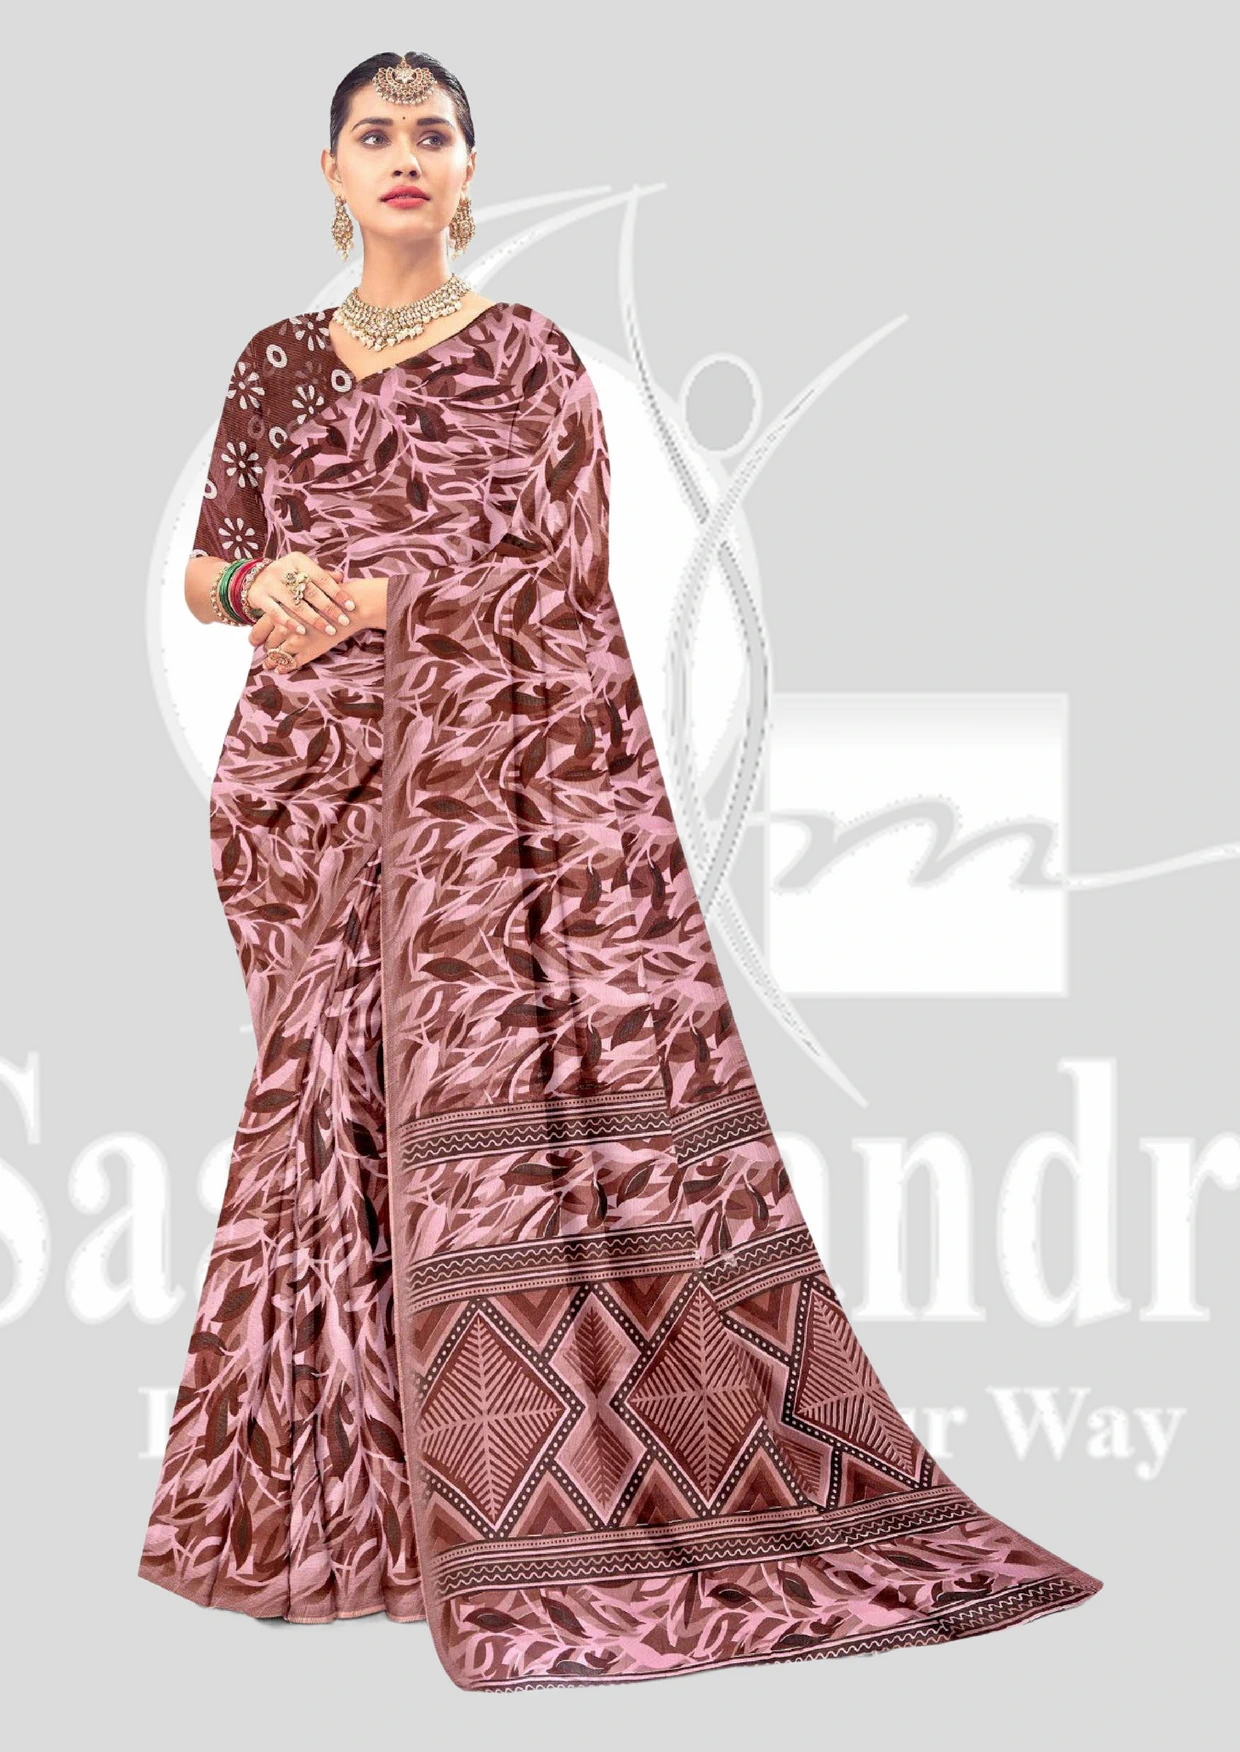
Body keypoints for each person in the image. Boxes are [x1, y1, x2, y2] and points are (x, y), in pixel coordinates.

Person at [138, 49, 1102, 1690]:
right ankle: (343, 1522)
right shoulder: (275, 363)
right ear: (329, 172)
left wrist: (375, 603)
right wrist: (262, 592)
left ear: (469, 171)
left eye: (433, 133)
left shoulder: (526, 360)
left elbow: (561, 576)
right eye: (374, 133)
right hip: (303, 787)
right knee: (329, 1117)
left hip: (474, 803)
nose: (404, 154)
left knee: (443, 1114)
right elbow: (209, 565)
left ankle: (496, 1511)